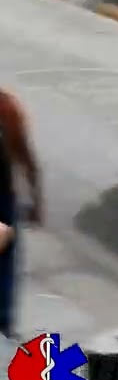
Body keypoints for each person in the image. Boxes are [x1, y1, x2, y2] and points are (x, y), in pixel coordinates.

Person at [0, 88, 42, 338]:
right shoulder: (6, 107)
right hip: (3, 199)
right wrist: (37, 201)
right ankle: (3, 322)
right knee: (5, 260)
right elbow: (26, 157)